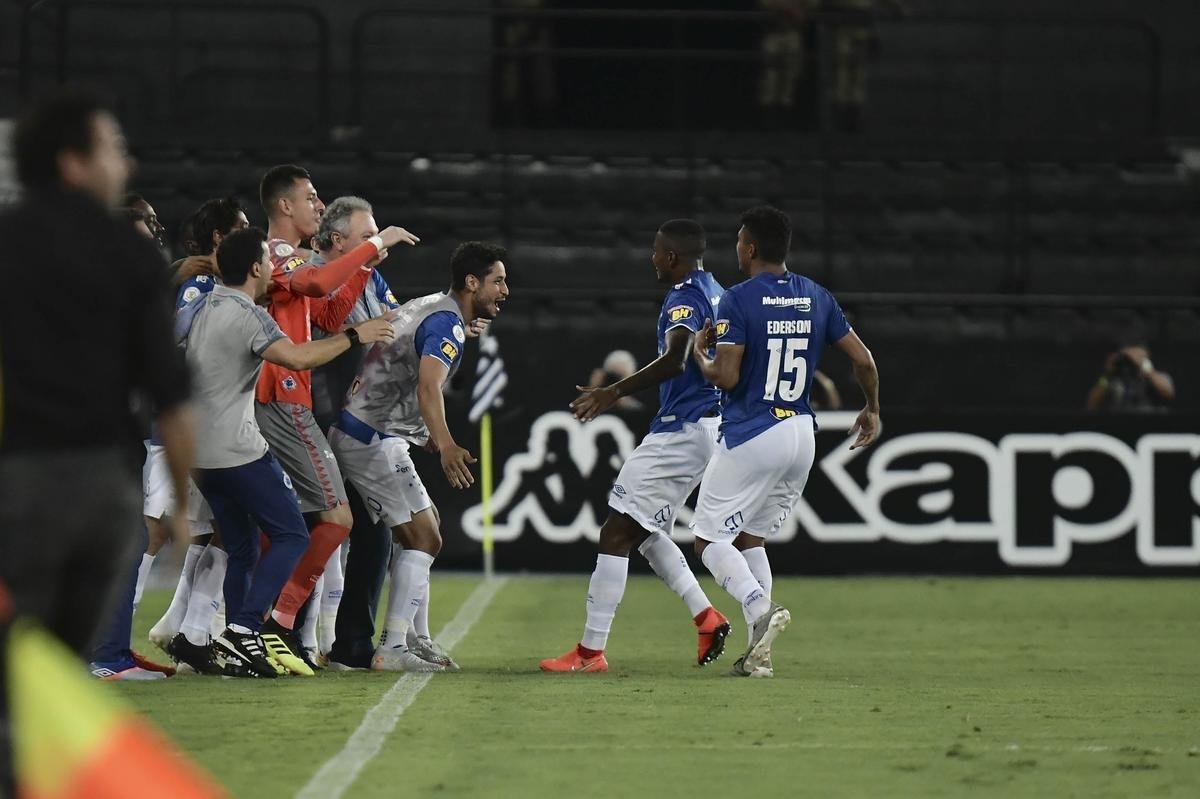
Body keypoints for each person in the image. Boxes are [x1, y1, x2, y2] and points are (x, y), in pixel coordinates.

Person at [0, 90, 195, 789]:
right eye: (112, 147)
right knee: (57, 670)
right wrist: (178, 504)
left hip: (15, 482)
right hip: (99, 491)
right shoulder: (131, 255)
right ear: (73, 162)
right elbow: (171, 395)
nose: (128, 160)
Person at [178, 227, 396, 678]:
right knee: (293, 534)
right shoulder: (249, 314)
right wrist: (356, 335)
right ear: (258, 267)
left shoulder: (204, 305)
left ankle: (235, 643)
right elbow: (296, 358)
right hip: (235, 449)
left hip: (197, 451)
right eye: (267, 260)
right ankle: (245, 628)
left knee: (242, 547)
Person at [690, 206, 880, 677]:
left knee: (708, 539)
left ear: (750, 248)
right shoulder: (815, 295)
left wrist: (700, 356)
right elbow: (864, 360)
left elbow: (728, 376)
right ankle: (759, 656)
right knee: (750, 536)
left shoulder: (736, 300)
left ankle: (758, 606)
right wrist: (872, 407)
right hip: (801, 433)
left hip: (755, 430)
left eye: (738, 241)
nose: (736, 248)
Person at [540, 220, 732, 674]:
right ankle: (706, 617)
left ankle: (589, 654)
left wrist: (612, 392)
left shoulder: (686, 295)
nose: (651, 258)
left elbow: (675, 359)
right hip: (708, 424)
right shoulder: (717, 289)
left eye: (655, 251)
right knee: (643, 532)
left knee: (616, 533)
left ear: (671, 257)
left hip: (682, 428)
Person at [254, 164, 419, 675]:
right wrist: (371, 250)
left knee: (296, 526)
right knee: (320, 522)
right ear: (285, 205)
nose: (318, 204)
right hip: (281, 399)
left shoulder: (301, 261)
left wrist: (369, 264)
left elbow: (328, 313)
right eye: (310, 196)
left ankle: (280, 633)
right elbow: (326, 290)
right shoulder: (276, 256)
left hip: (299, 402)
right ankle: (266, 628)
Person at [329, 242, 509, 672]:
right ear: (472, 283)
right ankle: (392, 648)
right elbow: (428, 387)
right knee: (424, 538)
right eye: (498, 281)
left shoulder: (431, 304)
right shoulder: (445, 322)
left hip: (370, 430)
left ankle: (415, 637)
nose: (505, 290)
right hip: (370, 437)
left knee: (426, 529)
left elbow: (402, 367)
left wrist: (421, 432)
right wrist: (445, 443)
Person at [149, 197, 251, 667]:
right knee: (164, 532)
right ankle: (116, 647)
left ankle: (183, 625)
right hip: (195, 420)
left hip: (208, 419)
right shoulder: (201, 284)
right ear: (219, 237)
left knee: (215, 529)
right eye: (243, 227)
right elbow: (174, 338)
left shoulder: (210, 282)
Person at [307, 195, 401, 665]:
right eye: (369, 236)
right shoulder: (312, 272)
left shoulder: (371, 276)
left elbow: (395, 325)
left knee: (373, 528)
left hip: (358, 423)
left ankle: (352, 643)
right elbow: (331, 320)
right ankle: (292, 638)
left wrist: (453, 324)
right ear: (338, 239)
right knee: (315, 530)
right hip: (318, 415)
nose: (377, 244)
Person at [1086, 345, 1174, 413]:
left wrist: (1146, 368)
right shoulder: (1110, 379)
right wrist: (1108, 374)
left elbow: (1167, 392)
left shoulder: (1158, 376)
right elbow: (1092, 403)